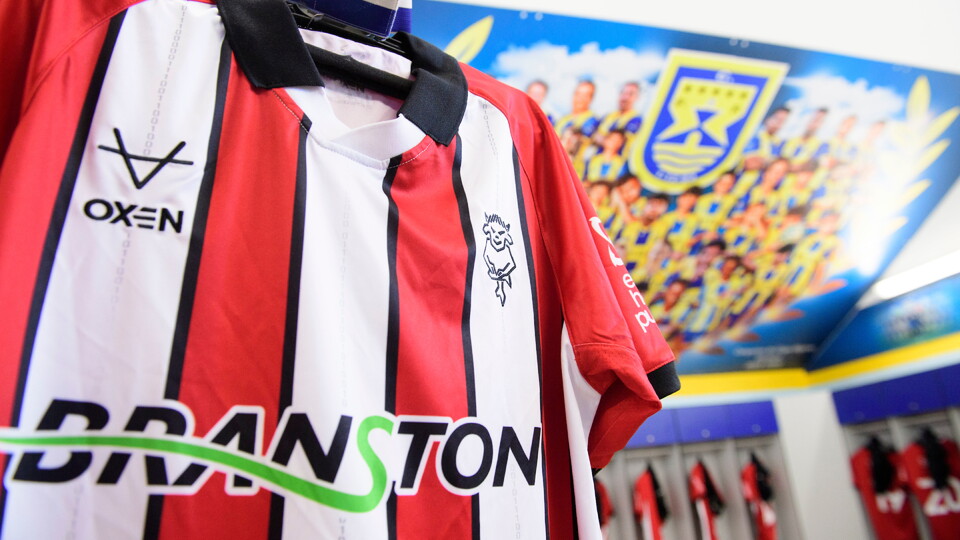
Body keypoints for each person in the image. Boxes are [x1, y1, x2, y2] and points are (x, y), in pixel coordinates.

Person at [596, 81, 643, 151]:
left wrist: (602, 139)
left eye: (631, 94)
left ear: (637, 97)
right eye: (623, 93)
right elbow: (594, 135)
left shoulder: (637, 120)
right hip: (598, 160)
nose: (625, 97)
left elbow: (619, 143)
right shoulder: (609, 116)